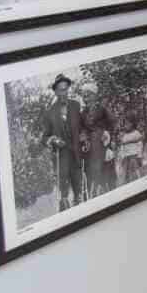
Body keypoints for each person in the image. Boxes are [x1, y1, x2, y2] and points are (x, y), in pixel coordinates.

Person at [39, 74, 85, 212]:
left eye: (66, 89)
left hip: (77, 154)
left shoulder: (76, 106)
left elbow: (83, 127)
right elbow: (44, 137)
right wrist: (52, 139)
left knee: (79, 189)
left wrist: (84, 136)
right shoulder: (49, 113)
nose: (64, 93)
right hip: (61, 156)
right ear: (56, 91)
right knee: (64, 193)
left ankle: (81, 212)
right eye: (60, 90)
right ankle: (65, 214)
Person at [78, 79, 114, 202]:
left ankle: (102, 190)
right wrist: (83, 137)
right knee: (90, 168)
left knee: (103, 168)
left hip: (102, 142)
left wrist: (108, 135)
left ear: (94, 95)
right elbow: (81, 128)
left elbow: (111, 124)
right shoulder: (83, 113)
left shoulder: (102, 109)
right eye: (84, 96)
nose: (85, 98)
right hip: (90, 145)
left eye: (88, 95)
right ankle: (93, 192)